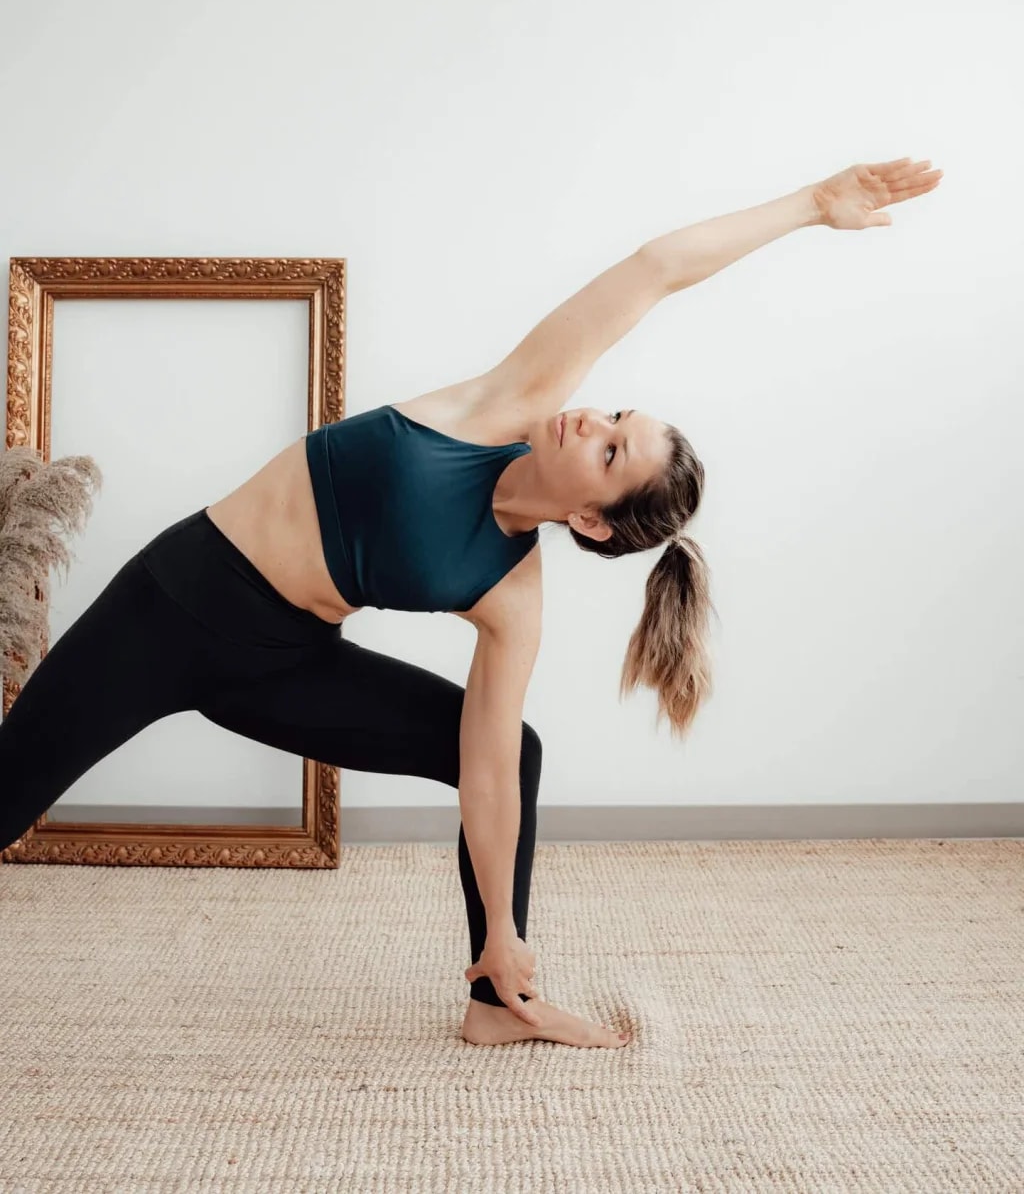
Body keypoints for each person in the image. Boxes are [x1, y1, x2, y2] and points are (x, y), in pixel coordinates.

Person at [0, 157, 942, 1049]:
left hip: (280, 662)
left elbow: (487, 772)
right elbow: (656, 271)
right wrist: (813, 205)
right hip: (171, 605)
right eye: (618, 416)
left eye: (612, 452)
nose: (594, 421)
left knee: (513, 748)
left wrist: (500, 926)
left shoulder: (510, 593)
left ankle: (500, 996)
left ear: (591, 520)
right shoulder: (508, 400)